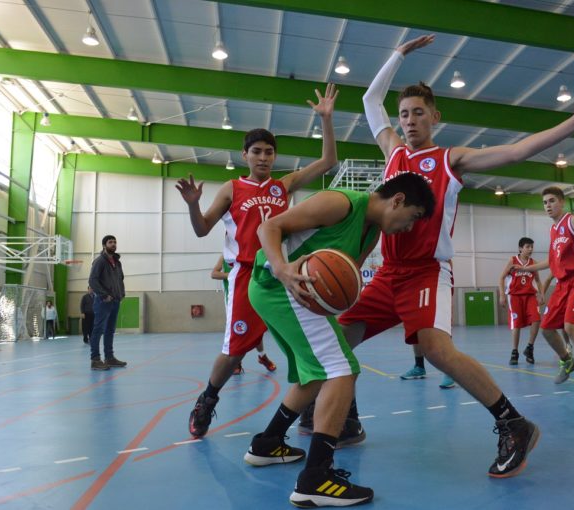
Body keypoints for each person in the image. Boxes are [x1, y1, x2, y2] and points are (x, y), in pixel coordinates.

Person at [335, 34, 574, 477]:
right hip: (386, 272)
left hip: (427, 273)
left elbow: (515, 150)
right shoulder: (392, 153)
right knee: (339, 339)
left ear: (435, 116)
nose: (410, 121)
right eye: (404, 114)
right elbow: (370, 98)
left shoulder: (451, 159)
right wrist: (396, 54)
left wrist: (573, 124)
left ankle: (514, 424)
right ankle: (349, 419)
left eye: (418, 114)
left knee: (436, 349)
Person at [244, 172, 435, 507]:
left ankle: (267, 443)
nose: (409, 228)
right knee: (342, 369)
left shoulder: (371, 233)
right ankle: (315, 478)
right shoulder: (341, 202)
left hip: (292, 293)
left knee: (317, 373)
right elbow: (268, 228)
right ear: (398, 199)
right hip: (282, 286)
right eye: (413, 218)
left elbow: (345, 281)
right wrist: (282, 269)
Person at [177, 83, 340, 439]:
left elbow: (328, 161)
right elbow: (203, 229)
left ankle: (309, 406)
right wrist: (192, 204)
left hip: (285, 273)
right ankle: (206, 399)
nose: (264, 157)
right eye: (257, 151)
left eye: (269, 152)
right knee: (234, 352)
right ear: (245, 155)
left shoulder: (284, 186)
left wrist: (326, 120)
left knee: (301, 344)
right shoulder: (232, 189)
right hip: (247, 278)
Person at [519, 187, 574, 392]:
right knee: (546, 328)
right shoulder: (553, 230)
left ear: (562, 202)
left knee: (570, 327)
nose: (548, 205)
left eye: (552, 201)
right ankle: (567, 360)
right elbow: (551, 261)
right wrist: (526, 268)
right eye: (545, 202)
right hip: (562, 284)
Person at [211, 255, 276, 374]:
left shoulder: (251, 253)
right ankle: (237, 362)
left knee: (256, 328)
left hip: (252, 295)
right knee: (237, 330)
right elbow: (214, 273)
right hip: (234, 299)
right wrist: (232, 275)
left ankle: (262, 356)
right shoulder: (225, 256)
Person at [499, 237, 543, 365]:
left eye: (531, 247)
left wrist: (541, 294)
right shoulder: (512, 261)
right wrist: (502, 295)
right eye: (527, 247)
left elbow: (539, 281)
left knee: (536, 319)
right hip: (515, 296)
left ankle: (530, 348)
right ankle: (514, 351)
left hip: (530, 296)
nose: (530, 249)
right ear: (520, 248)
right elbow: (501, 278)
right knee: (516, 324)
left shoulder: (533, 263)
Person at [88, 235, 128, 370]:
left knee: (110, 330)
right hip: (103, 301)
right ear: (104, 245)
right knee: (98, 329)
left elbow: (120, 279)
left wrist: (121, 294)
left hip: (115, 300)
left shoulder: (117, 262)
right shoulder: (99, 261)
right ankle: (95, 360)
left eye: (115, 242)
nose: (113, 244)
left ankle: (109, 358)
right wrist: (104, 295)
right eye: (110, 242)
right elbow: (93, 280)